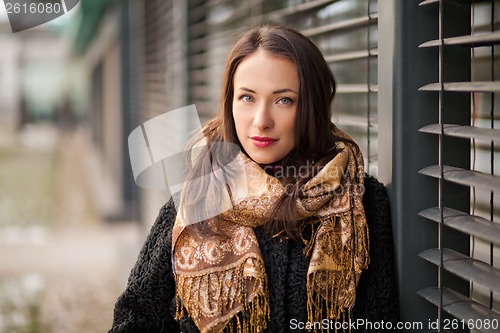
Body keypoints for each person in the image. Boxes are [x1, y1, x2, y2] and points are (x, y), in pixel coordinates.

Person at [109, 25, 399, 333]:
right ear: (229, 103)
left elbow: (381, 318)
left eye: (283, 100)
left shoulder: (359, 203)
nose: (261, 121)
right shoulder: (194, 201)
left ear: (311, 106)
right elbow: (136, 318)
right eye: (247, 98)